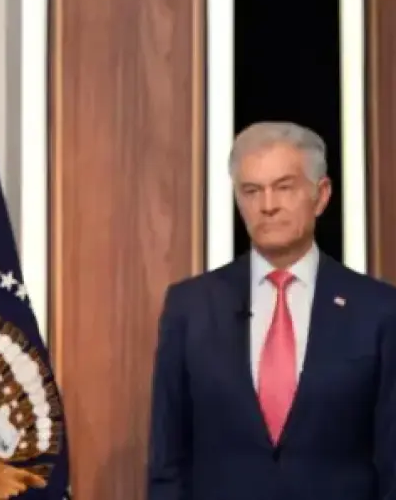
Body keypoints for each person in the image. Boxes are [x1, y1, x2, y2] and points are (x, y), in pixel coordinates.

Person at [147, 121, 396, 500]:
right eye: (252, 191)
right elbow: (168, 457)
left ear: (321, 195)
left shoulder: (379, 309)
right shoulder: (191, 306)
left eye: (284, 187)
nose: (267, 206)